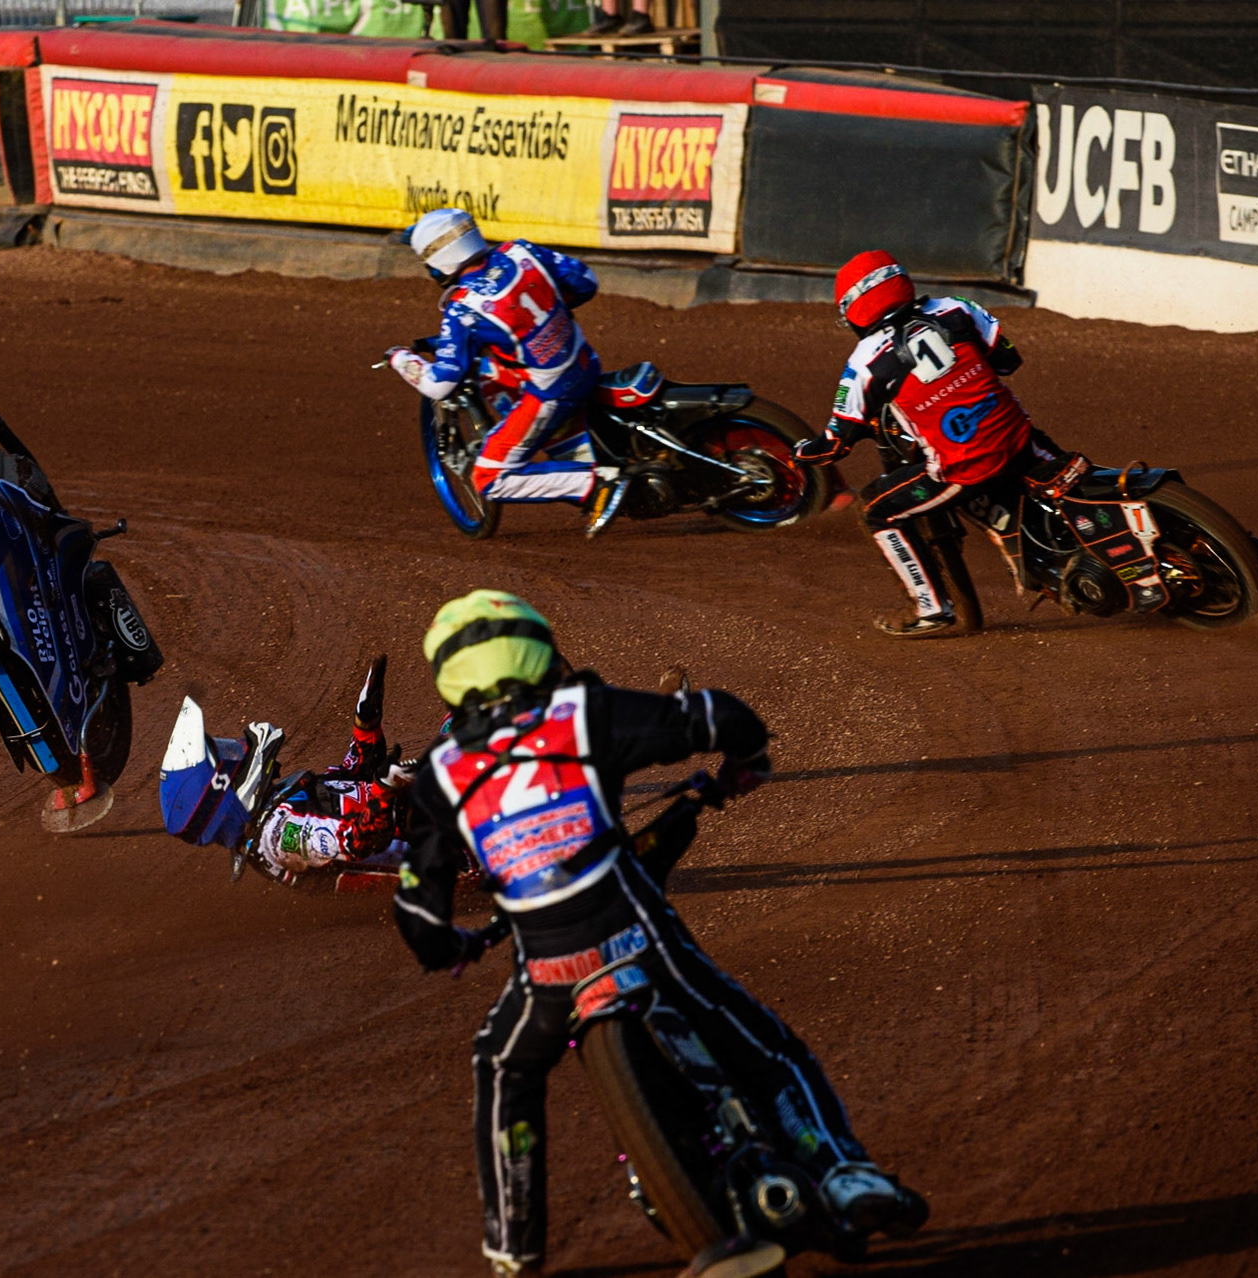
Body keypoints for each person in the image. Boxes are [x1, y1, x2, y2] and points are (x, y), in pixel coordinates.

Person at [393, 590, 925, 1278]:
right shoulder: (580, 713)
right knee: (766, 1046)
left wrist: (452, 949)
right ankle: (847, 1173)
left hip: (547, 972)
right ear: (539, 651)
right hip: (636, 935)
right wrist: (747, 765)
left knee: (502, 1067)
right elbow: (722, 717)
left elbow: (421, 919)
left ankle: (511, 1250)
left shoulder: (440, 773)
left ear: (449, 678)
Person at [793, 250, 1097, 637]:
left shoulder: (865, 361)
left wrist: (800, 451)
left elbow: (835, 444)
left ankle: (930, 607)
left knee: (875, 509)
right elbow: (1008, 360)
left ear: (855, 309)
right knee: (1076, 481)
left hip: (965, 468)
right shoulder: (956, 308)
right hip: (1019, 437)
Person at [384, 208, 628, 537]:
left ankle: (595, 483)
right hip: (584, 360)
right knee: (493, 374)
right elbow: (584, 282)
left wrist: (399, 358)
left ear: (439, 260)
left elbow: (439, 384)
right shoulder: (520, 250)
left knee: (488, 478)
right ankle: (571, 444)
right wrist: (543, 320)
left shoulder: (463, 308)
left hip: (553, 393)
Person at [159, 657, 418, 883]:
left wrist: (365, 726)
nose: (236, 749)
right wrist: (385, 790)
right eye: (226, 755)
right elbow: (358, 842)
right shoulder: (280, 836)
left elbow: (351, 781)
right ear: (222, 791)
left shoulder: (277, 809)